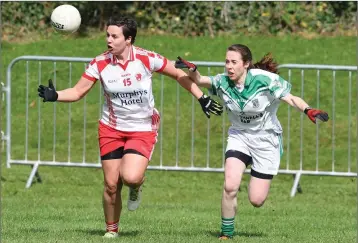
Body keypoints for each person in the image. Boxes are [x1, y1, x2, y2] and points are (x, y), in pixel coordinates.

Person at [38, 16, 223, 238]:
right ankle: (111, 230)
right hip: (111, 129)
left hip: (142, 128)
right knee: (110, 184)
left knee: (131, 177)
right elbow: (78, 92)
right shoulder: (99, 63)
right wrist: (55, 95)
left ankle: (136, 188)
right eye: (107, 35)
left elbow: (179, 74)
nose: (108, 40)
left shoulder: (146, 58)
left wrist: (201, 97)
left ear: (128, 39)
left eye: (114, 36)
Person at [175, 44, 329, 240]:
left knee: (256, 200)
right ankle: (226, 234)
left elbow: (290, 98)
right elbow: (200, 80)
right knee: (230, 186)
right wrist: (192, 69)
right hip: (239, 136)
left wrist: (308, 110)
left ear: (246, 64)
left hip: (266, 140)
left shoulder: (265, 80)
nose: (229, 67)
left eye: (234, 62)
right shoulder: (223, 82)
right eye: (226, 62)